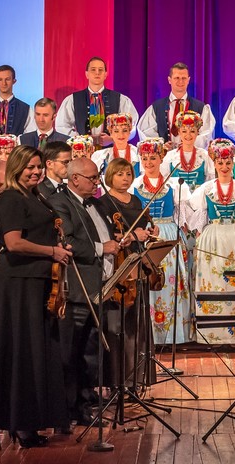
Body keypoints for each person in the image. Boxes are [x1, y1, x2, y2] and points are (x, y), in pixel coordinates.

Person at [0, 146, 72, 447]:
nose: (36, 172)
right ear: (16, 168)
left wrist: (58, 247)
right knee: (23, 350)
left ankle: (34, 420)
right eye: (30, 167)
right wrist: (52, 251)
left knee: (38, 349)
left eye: (39, 167)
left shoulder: (36, 196)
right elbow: (13, 243)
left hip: (36, 282)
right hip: (18, 284)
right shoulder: (11, 198)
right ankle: (21, 423)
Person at [47, 155, 114, 428]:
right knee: (72, 353)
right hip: (77, 289)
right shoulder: (60, 202)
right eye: (92, 178)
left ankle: (85, 404)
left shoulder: (95, 203)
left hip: (99, 285)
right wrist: (101, 248)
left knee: (91, 353)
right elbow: (68, 241)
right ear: (74, 179)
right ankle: (69, 409)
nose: (97, 182)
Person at [182, 139, 235, 345]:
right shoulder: (206, 189)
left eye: (228, 163)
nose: (224, 167)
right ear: (214, 164)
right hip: (213, 237)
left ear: (233, 163)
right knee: (214, 281)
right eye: (220, 163)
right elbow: (195, 218)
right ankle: (212, 334)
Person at [99, 158, 156, 388]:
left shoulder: (136, 200)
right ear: (110, 176)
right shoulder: (103, 203)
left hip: (137, 263)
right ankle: (118, 379)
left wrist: (149, 232)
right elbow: (107, 237)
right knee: (118, 323)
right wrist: (132, 236)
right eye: (120, 174)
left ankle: (137, 377)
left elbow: (143, 227)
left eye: (128, 174)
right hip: (118, 264)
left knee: (137, 320)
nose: (125, 178)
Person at [132, 139, 193, 345]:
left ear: (161, 158)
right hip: (146, 235)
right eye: (145, 158)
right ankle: (150, 334)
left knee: (170, 281)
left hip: (168, 233)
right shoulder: (135, 185)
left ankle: (173, 334)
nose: (148, 162)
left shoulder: (173, 184)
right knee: (149, 279)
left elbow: (182, 216)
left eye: (153, 158)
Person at [56, 56, 140, 145]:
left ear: (105, 74)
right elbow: (62, 126)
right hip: (83, 151)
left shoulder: (121, 99)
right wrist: (83, 140)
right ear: (87, 74)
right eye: (93, 70)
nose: (97, 73)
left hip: (111, 150)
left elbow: (132, 126)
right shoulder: (72, 99)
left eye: (100, 70)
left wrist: (112, 139)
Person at [137, 63, 216, 149]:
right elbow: (146, 132)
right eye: (177, 78)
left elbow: (206, 134)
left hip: (191, 155)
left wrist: (188, 145)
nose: (180, 81)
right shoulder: (156, 107)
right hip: (165, 156)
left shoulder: (201, 108)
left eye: (184, 78)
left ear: (188, 80)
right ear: (169, 80)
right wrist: (161, 146)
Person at [161, 110, 214, 188]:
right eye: (184, 131)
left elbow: (210, 183)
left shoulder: (204, 156)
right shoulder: (170, 157)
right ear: (179, 132)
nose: (188, 135)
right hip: (176, 196)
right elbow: (164, 183)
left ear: (197, 133)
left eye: (192, 131)